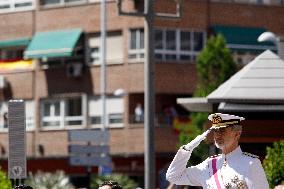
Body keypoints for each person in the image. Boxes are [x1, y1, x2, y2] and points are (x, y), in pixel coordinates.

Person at [166, 113, 269, 189]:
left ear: (237, 134)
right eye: (215, 131)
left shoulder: (250, 164)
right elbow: (173, 176)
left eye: (222, 130)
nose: (217, 135)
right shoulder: (209, 164)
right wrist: (188, 148)